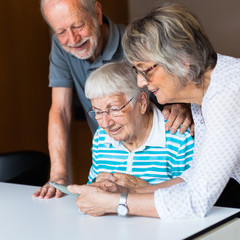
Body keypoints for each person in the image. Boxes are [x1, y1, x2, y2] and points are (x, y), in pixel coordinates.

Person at [67, 3, 240, 219]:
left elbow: (196, 200)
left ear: (181, 60)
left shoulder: (227, 95)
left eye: (146, 70)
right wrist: (128, 191)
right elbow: (193, 177)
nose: (141, 81)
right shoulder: (202, 94)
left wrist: (116, 203)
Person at [33, 0, 193, 199]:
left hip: (159, 144)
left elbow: (179, 80)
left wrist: (184, 104)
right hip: (113, 150)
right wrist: (59, 175)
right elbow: (60, 110)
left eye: (78, 26)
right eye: (61, 31)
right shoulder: (102, 140)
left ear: (97, 13)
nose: (72, 39)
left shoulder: (136, 44)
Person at [85, 61, 194, 187]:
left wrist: (143, 191)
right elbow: (90, 189)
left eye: (114, 109)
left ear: (142, 102)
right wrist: (95, 185)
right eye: (98, 112)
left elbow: (193, 198)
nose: (105, 123)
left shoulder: (178, 138)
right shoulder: (101, 137)